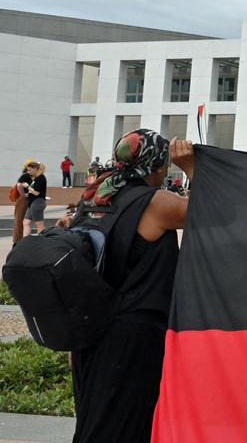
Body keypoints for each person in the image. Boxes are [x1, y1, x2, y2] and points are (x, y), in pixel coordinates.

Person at [61, 129, 195, 443]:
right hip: (132, 333)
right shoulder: (155, 202)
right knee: (125, 423)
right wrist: (192, 169)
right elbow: (207, 212)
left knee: (96, 417)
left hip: (90, 328)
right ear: (159, 166)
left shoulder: (94, 196)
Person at [17, 160, 48, 236]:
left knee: (39, 225)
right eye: (27, 170)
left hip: (37, 203)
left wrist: (27, 186)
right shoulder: (36, 178)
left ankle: (42, 242)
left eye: (30, 170)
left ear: (35, 169)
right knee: (26, 222)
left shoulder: (40, 178)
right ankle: (26, 242)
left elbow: (36, 193)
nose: (28, 172)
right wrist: (27, 193)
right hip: (33, 203)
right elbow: (33, 191)